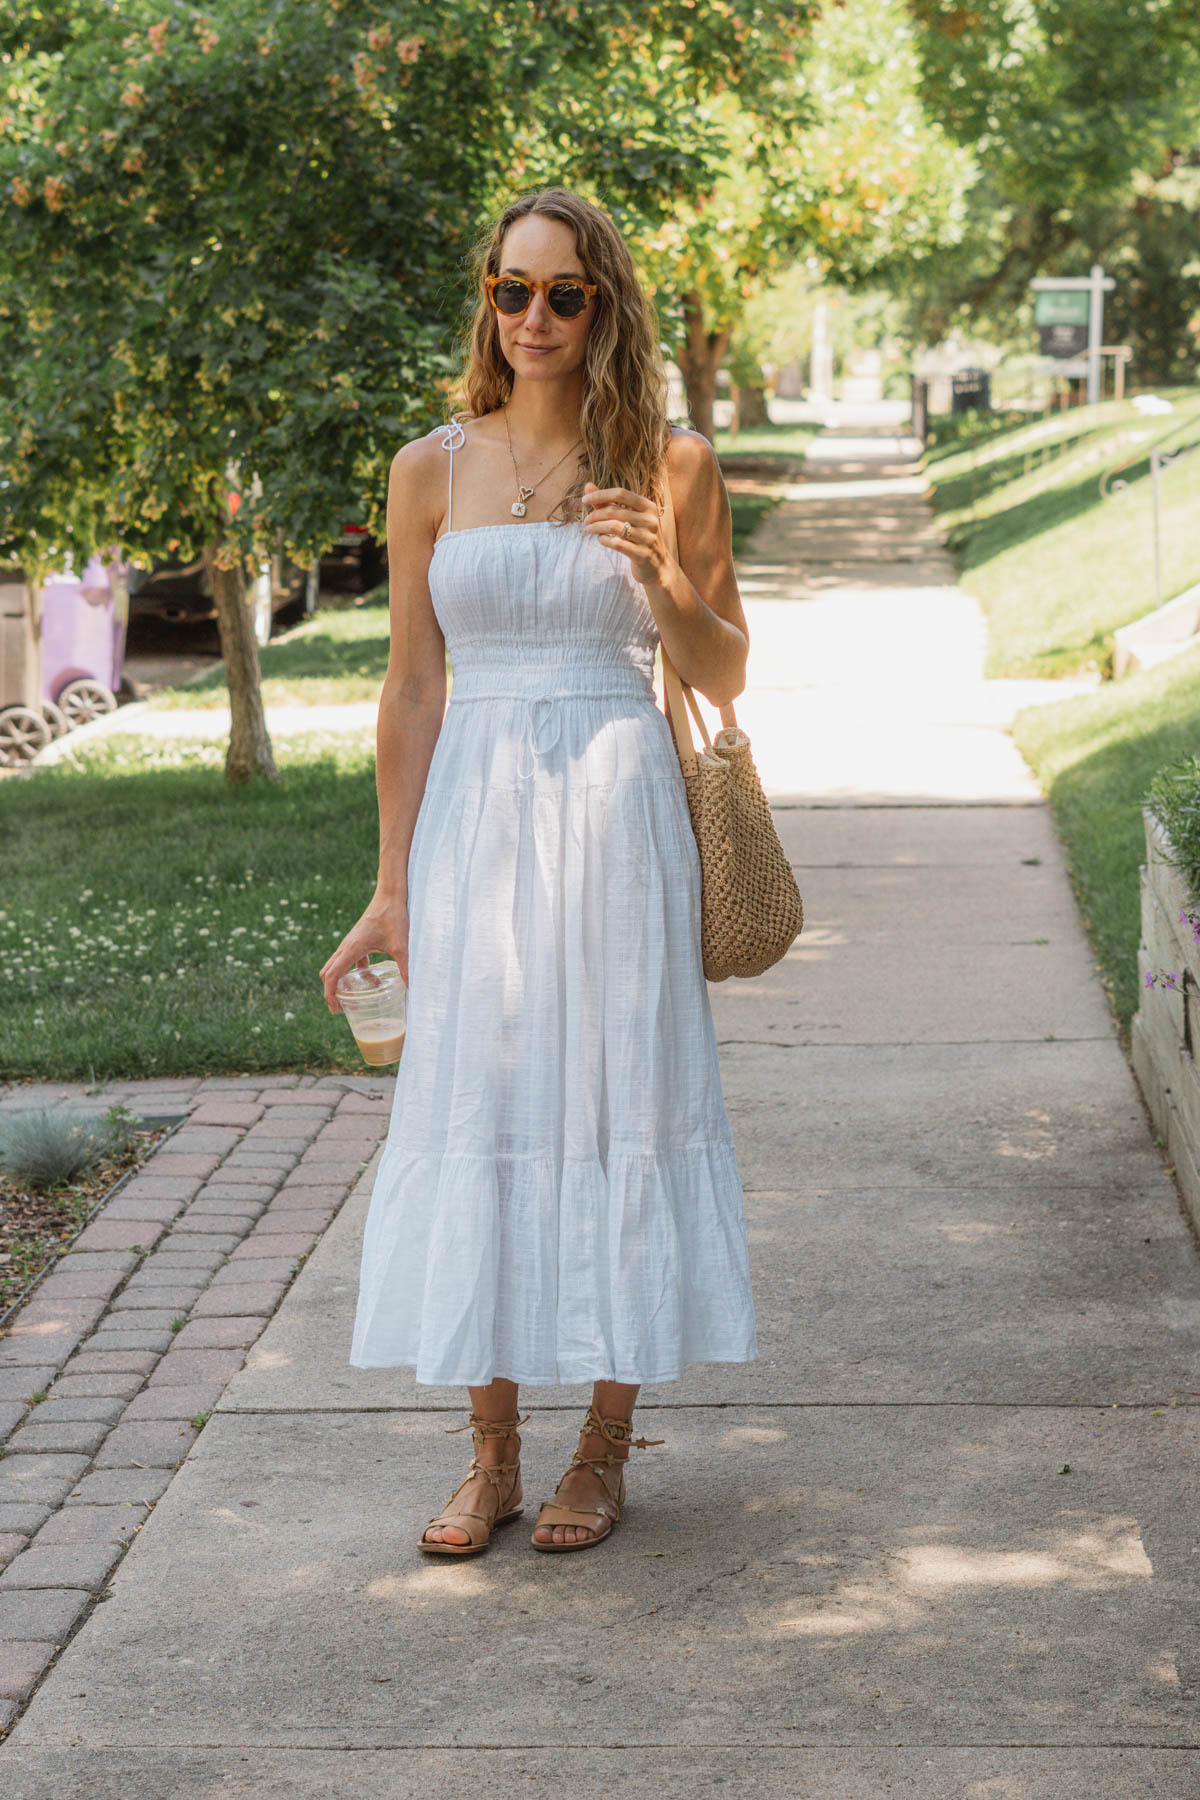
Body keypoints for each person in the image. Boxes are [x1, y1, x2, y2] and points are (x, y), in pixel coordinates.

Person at [319, 186, 757, 1557]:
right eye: (512, 290)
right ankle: (491, 1455)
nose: (534, 318)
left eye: (565, 294)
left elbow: (727, 670)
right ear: (487, 299)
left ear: (606, 304)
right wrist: (391, 884)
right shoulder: (430, 468)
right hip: (474, 823)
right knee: (484, 1097)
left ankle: (604, 1450)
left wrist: (663, 579)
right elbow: (408, 688)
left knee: (619, 1100)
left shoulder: (672, 463)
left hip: (619, 812)